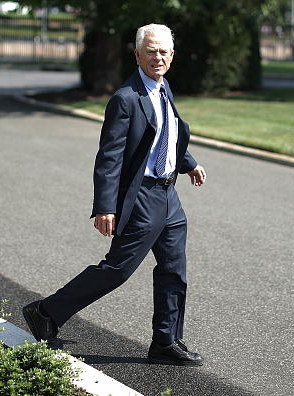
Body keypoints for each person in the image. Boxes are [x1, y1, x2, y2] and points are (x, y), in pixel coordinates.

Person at [23, 23, 206, 366]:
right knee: (117, 270)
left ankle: (165, 342)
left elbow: (165, 134)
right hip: (142, 199)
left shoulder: (163, 89)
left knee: (174, 270)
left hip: (170, 197)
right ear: (137, 55)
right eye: (151, 50)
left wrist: (189, 164)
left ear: (172, 55)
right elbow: (109, 156)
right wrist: (105, 206)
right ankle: (45, 311)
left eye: (164, 51)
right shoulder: (125, 98)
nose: (158, 57)